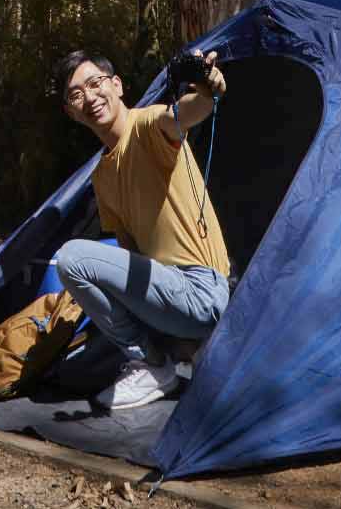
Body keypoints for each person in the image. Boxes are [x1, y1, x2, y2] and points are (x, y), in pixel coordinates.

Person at [52, 49, 230, 410]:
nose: (89, 97)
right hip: (165, 294)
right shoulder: (103, 176)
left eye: (95, 83)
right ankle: (165, 356)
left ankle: (153, 366)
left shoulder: (148, 124)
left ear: (116, 86)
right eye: (76, 94)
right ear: (71, 112)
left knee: (71, 258)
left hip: (201, 290)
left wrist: (208, 88)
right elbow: (131, 254)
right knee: (75, 362)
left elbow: (189, 111)